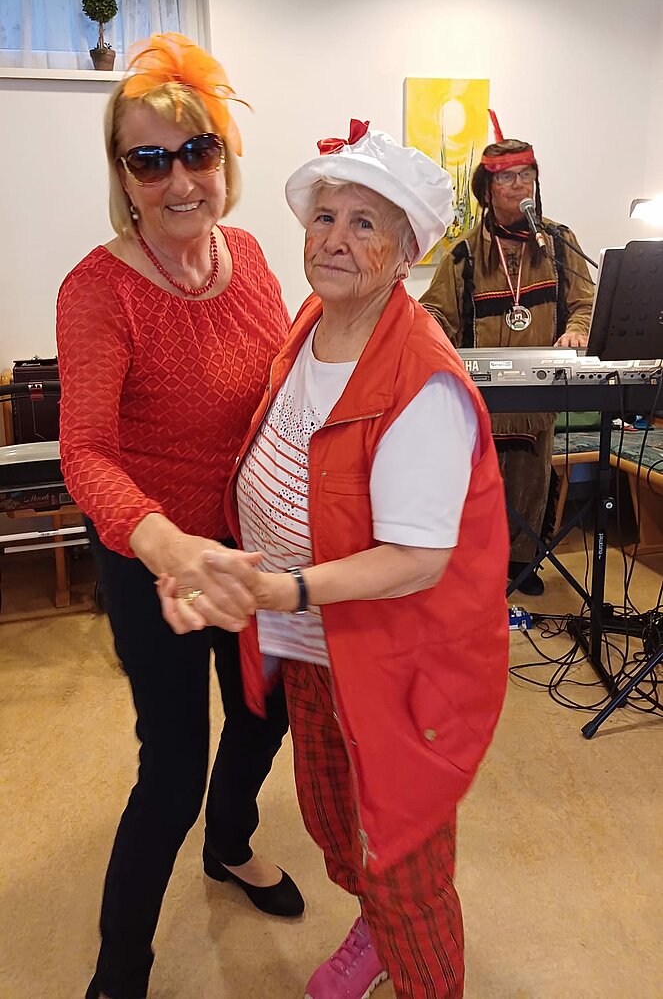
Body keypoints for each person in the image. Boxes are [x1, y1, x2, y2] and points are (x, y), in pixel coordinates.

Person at [159, 120, 510, 999]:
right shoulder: (312, 320)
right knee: (334, 819)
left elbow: (417, 560)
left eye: (364, 223)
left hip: (393, 663)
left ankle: (412, 955)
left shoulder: (420, 380)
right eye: (325, 217)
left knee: (402, 856)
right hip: (316, 649)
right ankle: (372, 926)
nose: (334, 239)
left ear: (405, 253)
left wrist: (283, 588)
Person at [56, 32, 304, 999]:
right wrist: (169, 547)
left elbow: (278, 391)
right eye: (148, 160)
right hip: (149, 551)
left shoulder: (251, 256)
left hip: (249, 544)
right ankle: (120, 971)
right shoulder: (98, 290)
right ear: (123, 177)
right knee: (169, 772)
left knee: (265, 712)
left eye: (195, 151)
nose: (178, 179)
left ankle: (230, 843)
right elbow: (85, 453)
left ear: (224, 158)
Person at [420, 133, 595, 595]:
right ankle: (476, 567)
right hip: (481, 401)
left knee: (531, 480)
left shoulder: (560, 243)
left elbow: (585, 301)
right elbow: (435, 313)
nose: (519, 185)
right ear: (486, 188)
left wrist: (577, 330)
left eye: (526, 175)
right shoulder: (464, 253)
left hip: (539, 399)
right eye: (507, 178)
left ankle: (522, 565)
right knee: (479, 486)